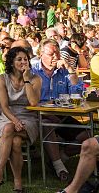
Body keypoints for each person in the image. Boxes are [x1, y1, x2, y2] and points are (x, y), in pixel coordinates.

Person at [0, 47, 41, 191]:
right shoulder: (2, 78)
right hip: (8, 116)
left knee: (9, 130)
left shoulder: (35, 79)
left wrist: (27, 79)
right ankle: (18, 182)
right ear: (11, 62)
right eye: (19, 59)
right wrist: (15, 121)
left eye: (25, 59)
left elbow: (33, 102)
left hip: (28, 117)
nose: (23, 62)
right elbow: (4, 106)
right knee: (15, 141)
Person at [32, 38, 81, 181]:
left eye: (57, 54)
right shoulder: (32, 71)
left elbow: (76, 94)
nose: (55, 57)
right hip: (39, 114)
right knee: (48, 124)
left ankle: (60, 156)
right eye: (51, 54)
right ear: (41, 53)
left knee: (87, 137)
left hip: (61, 114)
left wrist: (71, 69)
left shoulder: (64, 71)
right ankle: (59, 167)